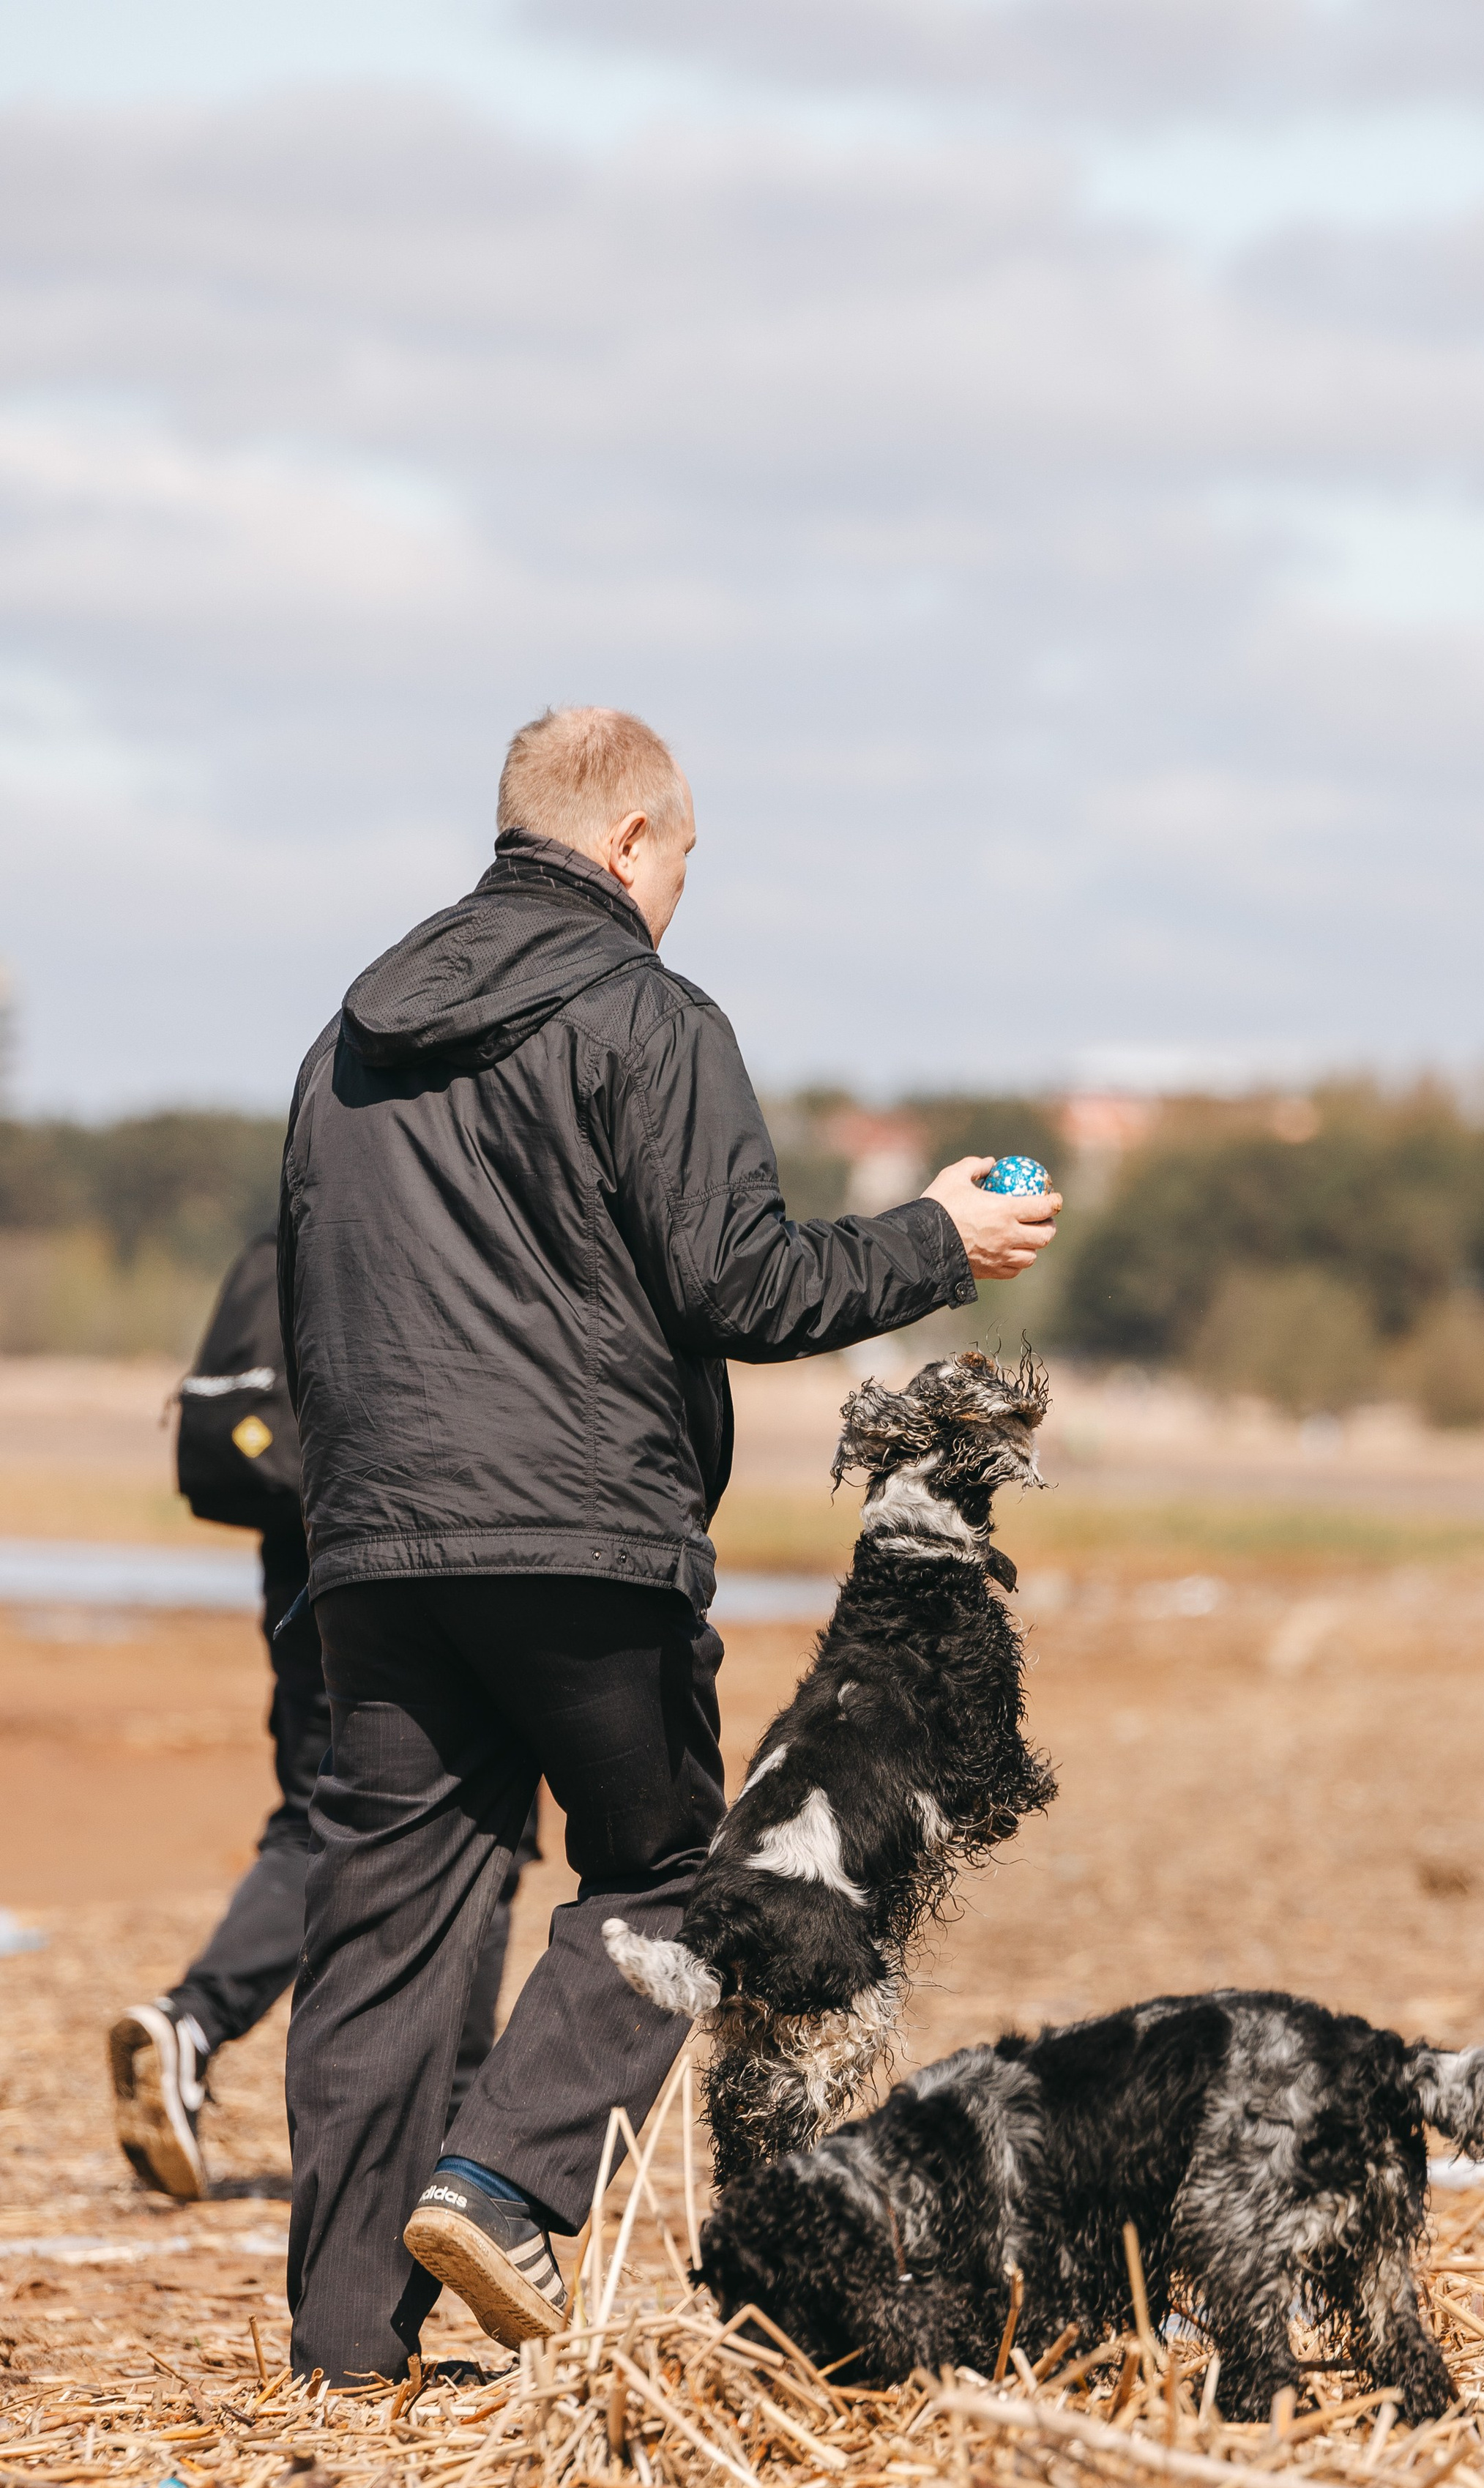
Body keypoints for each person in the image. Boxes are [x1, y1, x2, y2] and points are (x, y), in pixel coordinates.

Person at [279, 706, 1061, 2382]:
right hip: (584, 1535)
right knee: (675, 1877)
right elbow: (743, 1284)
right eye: (686, 859)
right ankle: (501, 2181)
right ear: (630, 838)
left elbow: (305, 1281)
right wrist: (939, 1236)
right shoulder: (651, 1013)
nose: (682, 889)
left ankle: (345, 2353)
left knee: (386, 1923)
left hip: (375, 1543)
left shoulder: (348, 1034)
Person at [106, 1231, 534, 2200]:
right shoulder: (442, 1206)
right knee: (486, 1827)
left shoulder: (305, 1206)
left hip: (299, 1547)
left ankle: (193, 2021)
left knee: (313, 1810)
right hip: (416, 1540)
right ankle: (453, 2132)